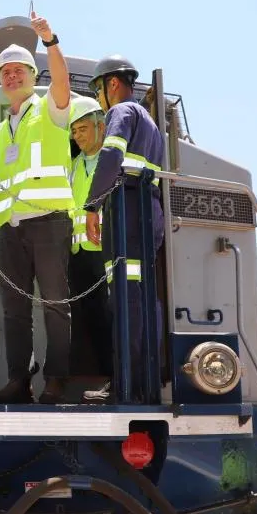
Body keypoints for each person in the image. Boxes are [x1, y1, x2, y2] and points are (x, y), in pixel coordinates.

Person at [0, 11, 74, 404]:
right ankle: (19, 380)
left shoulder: (51, 110)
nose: (12, 77)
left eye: (19, 70)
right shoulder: (0, 132)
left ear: (33, 77)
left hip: (50, 222)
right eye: (5, 72)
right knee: (15, 310)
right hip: (10, 228)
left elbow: (63, 83)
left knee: (55, 305)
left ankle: (56, 380)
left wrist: (50, 42)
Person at [83, 55, 166, 403]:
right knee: (145, 301)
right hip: (149, 209)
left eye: (98, 90)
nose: (100, 99)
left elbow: (110, 158)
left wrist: (92, 204)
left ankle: (124, 385)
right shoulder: (152, 126)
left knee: (125, 301)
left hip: (127, 209)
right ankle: (146, 380)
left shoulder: (121, 113)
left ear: (111, 84)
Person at [64, 97, 115, 399]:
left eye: (83, 129)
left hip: (105, 251)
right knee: (88, 320)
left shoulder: (112, 163)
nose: (78, 136)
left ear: (101, 127)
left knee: (110, 317)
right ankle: (98, 378)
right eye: (75, 132)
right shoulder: (73, 165)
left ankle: (116, 377)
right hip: (78, 253)